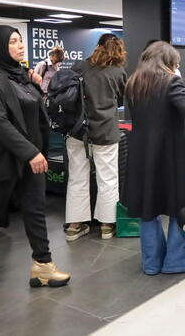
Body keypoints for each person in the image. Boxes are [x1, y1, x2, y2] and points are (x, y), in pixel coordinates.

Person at [0, 25, 69, 288]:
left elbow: (33, 115)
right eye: (13, 41)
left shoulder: (23, 75)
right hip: (0, 157)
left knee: (35, 209)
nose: (20, 45)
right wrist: (30, 151)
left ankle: (43, 265)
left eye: (20, 40)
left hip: (32, 156)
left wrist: (38, 88)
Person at [123, 41, 185, 275]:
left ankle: (151, 263)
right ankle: (176, 260)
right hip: (169, 155)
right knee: (179, 204)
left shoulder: (134, 83)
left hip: (141, 155)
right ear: (168, 62)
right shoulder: (171, 81)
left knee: (148, 207)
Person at [64, 34, 126, 241]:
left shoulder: (80, 66)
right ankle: (107, 226)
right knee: (108, 178)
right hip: (106, 130)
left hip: (77, 129)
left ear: (97, 46)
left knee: (77, 176)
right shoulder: (118, 72)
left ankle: (75, 225)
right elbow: (119, 100)